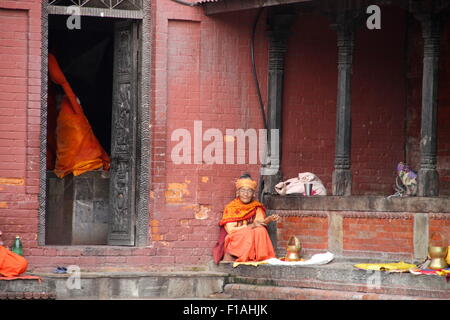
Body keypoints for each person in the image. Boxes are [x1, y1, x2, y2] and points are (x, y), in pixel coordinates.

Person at [213, 174, 280, 263]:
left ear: (253, 194)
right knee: (248, 232)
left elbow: (259, 223)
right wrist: (250, 226)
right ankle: (244, 257)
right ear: (238, 193)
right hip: (236, 238)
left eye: (249, 191)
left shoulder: (257, 207)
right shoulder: (231, 208)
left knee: (261, 230)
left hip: (251, 235)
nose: (246, 194)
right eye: (243, 191)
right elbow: (231, 230)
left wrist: (269, 219)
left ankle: (262, 257)